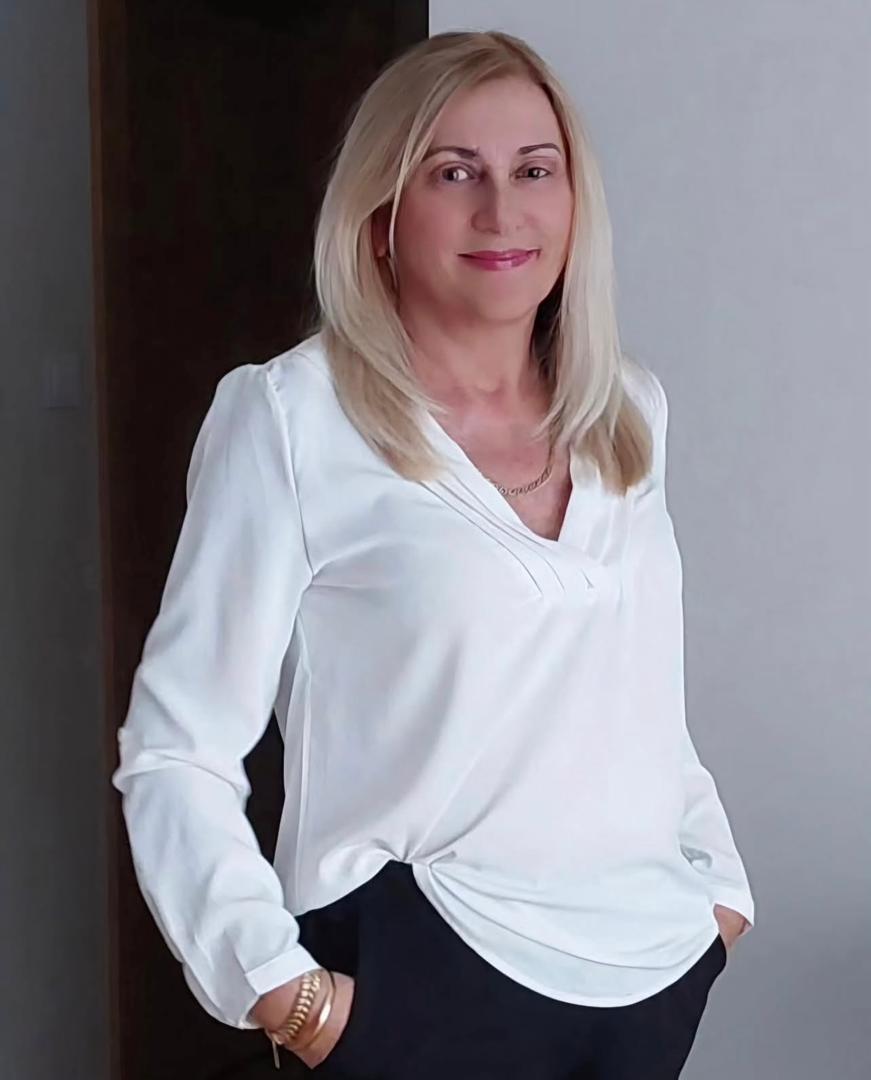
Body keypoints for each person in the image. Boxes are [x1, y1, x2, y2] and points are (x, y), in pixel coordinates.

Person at [112, 29, 755, 1080]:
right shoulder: (291, 419)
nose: (501, 212)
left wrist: (718, 896)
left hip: (639, 981)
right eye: (454, 173)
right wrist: (284, 992)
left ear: (574, 202)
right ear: (380, 215)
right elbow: (177, 748)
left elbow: (634, 701)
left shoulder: (625, 413)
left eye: (533, 171)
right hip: (418, 970)